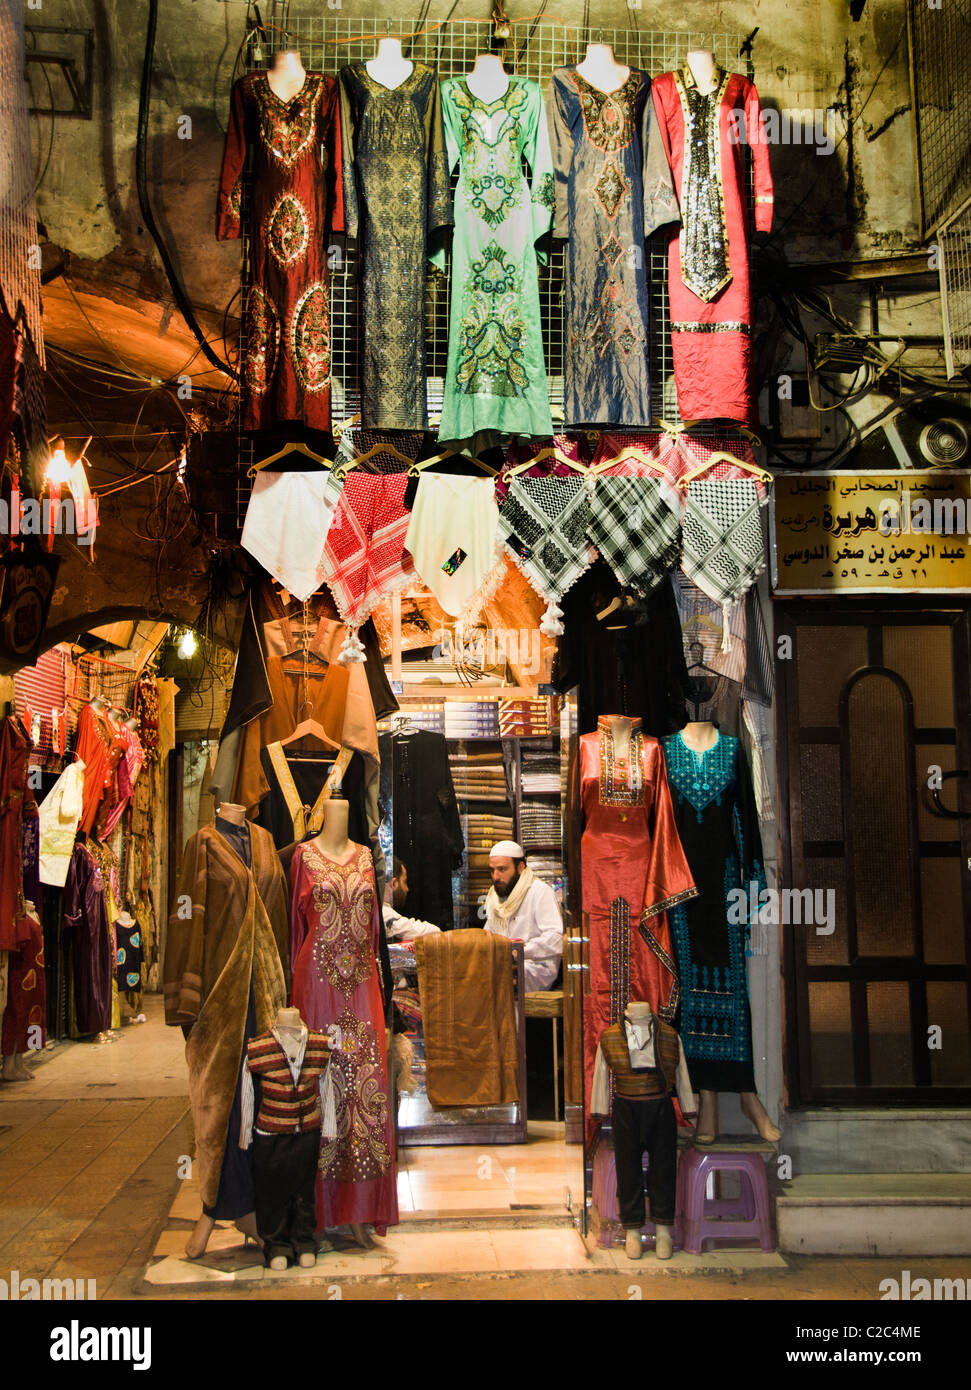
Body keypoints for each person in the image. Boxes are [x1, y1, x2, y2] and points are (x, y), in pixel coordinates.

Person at [483, 841, 562, 992]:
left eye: (502, 869)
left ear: (520, 867)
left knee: (499, 977)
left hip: (536, 966)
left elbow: (555, 937)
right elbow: (488, 934)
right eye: (492, 870)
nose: (496, 876)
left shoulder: (540, 892)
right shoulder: (494, 896)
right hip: (503, 962)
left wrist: (520, 951)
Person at [382, 856, 442, 941]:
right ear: (394, 884)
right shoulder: (384, 913)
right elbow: (433, 932)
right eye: (404, 882)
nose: (407, 889)